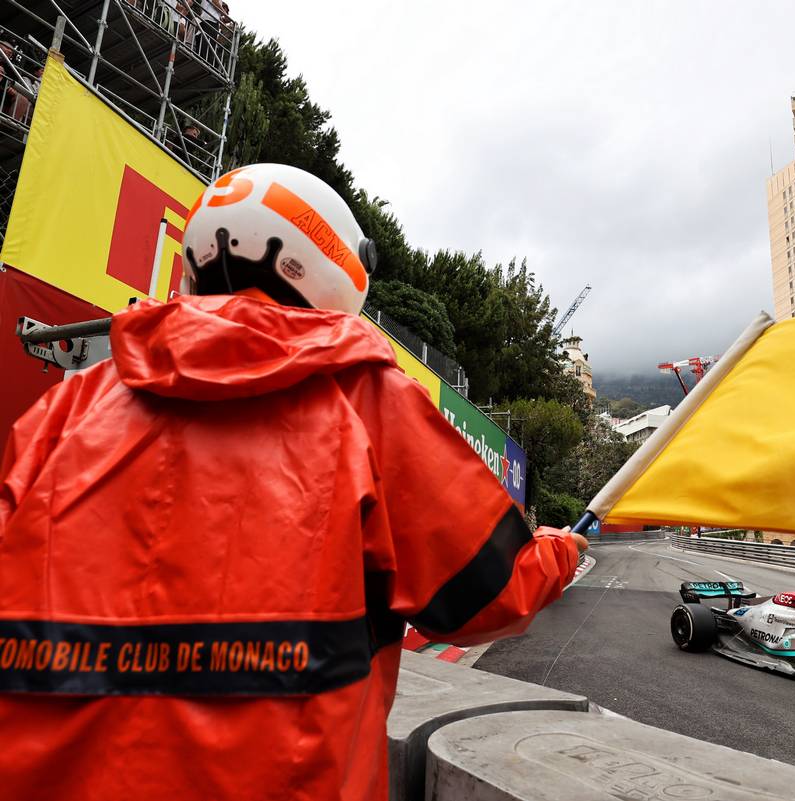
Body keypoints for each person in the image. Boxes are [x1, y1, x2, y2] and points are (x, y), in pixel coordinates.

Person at [0, 163, 587, 800]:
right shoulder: (366, 402)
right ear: (331, 261)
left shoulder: (68, 409)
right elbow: (485, 598)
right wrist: (560, 551)